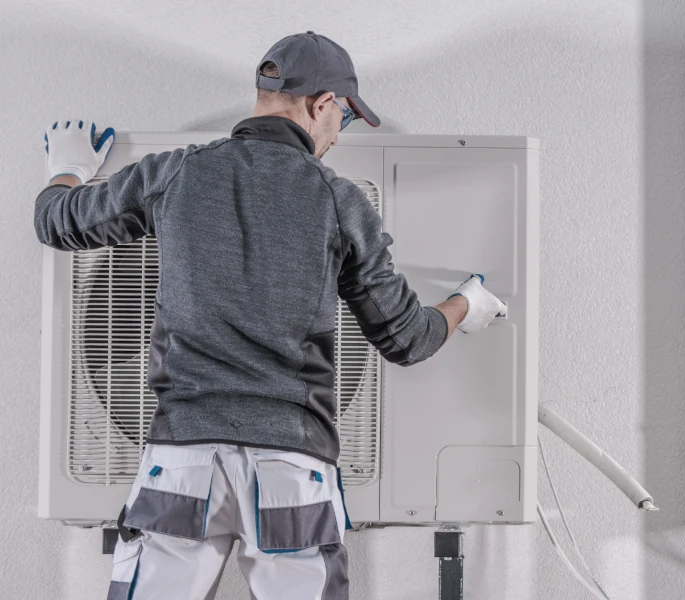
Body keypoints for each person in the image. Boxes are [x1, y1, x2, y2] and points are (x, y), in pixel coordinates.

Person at [34, 31, 506, 600]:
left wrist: (67, 167)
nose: (336, 136)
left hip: (182, 460)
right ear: (323, 103)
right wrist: (466, 305)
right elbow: (407, 338)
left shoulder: (176, 173)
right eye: (345, 120)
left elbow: (57, 221)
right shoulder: (340, 200)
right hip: (292, 468)